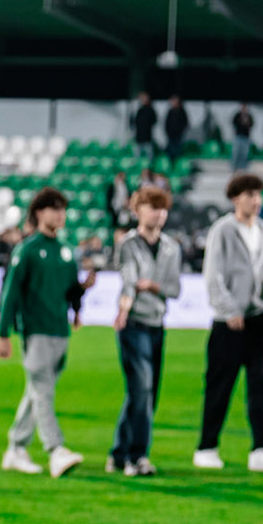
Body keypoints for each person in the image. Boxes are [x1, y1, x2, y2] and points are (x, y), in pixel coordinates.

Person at [0, 188, 96, 478]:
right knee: (43, 389)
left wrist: (80, 297)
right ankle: (56, 450)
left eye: (63, 209)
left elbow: (68, 289)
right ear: (39, 213)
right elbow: (10, 293)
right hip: (36, 329)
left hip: (59, 328)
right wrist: (3, 333)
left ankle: (15, 448)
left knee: (37, 390)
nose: (60, 214)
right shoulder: (27, 250)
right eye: (55, 209)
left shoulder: (65, 250)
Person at [196, 172, 263, 473]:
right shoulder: (223, 230)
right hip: (228, 322)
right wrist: (228, 309)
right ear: (235, 198)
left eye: (258, 195)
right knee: (220, 386)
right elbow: (213, 274)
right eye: (250, 195)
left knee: (259, 386)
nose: (256, 201)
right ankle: (206, 446)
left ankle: (260, 448)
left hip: (256, 319)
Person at [107, 186, 180, 476]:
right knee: (142, 389)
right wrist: (123, 310)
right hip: (134, 323)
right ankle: (138, 456)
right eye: (152, 207)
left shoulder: (172, 248)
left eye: (162, 209)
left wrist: (153, 286)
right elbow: (128, 281)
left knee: (144, 393)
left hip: (156, 324)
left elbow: (174, 288)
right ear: (138, 210)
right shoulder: (127, 244)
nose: (159, 214)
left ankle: (118, 452)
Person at [131, 92, 157, 162]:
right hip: (139, 137)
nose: (143, 100)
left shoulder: (151, 111)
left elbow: (153, 121)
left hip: (147, 137)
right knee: (137, 156)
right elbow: (135, 122)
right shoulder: (139, 110)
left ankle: (149, 169)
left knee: (150, 156)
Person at [163, 95, 189, 161]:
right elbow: (166, 123)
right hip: (170, 135)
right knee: (170, 152)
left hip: (178, 136)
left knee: (177, 151)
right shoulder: (170, 112)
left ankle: (177, 165)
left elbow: (185, 123)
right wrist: (167, 131)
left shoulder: (182, 112)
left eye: (174, 101)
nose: (173, 103)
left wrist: (180, 131)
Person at [231, 103, 255, 168]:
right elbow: (234, 123)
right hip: (238, 137)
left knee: (244, 154)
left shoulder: (249, 116)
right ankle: (234, 167)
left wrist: (246, 121)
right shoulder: (238, 115)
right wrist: (241, 120)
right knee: (236, 153)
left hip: (246, 137)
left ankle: (243, 168)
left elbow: (252, 124)